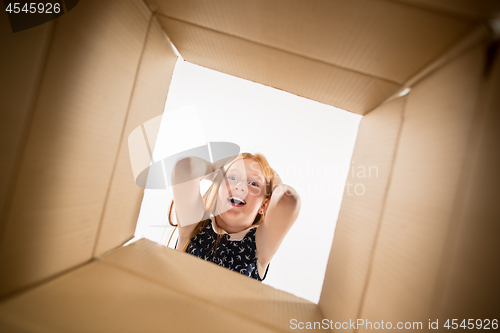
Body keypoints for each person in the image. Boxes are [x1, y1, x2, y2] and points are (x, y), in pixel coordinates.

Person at [167, 152, 301, 281]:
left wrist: (274, 182)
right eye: (232, 178)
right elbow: (185, 167)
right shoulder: (194, 225)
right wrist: (214, 169)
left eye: (253, 183)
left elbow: (288, 199)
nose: (240, 186)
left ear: (264, 206)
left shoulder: (259, 247)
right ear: (218, 187)